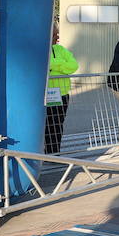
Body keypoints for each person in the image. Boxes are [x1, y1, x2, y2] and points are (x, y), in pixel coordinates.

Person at [44, 24, 78, 155]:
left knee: (57, 124)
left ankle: (54, 152)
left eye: (57, 34)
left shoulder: (60, 49)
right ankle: (45, 152)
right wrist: (61, 64)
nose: (57, 37)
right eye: (54, 35)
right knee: (47, 125)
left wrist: (56, 64)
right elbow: (45, 64)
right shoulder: (40, 49)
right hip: (46, 94)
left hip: (62, 94)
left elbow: (73, 66)